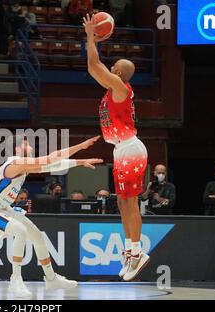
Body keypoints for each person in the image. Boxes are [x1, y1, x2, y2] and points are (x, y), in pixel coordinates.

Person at [0, 135, 102, 297]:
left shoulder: (24, 167)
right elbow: (51, 158)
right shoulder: (16, 163)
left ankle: (51, 278)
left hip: (3, 208)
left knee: (37, 236)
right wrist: (80, 146)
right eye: (28, 146)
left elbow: (53, 165)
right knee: (20, 230)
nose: (32, 149)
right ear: (18, 149)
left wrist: (79, 162)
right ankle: (15, 280)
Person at [83, 14, 149, 281]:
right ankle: (130, 251)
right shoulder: (112, 90)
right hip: (120, 149)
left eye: (114, 66)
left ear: (119, 73)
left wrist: (90, 36)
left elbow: (93, 63)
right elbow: (93, 68)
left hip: (131, 148)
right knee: (122, 203)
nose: (109, 67)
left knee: (129, 202)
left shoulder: (120, 86)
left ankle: (137, 252)